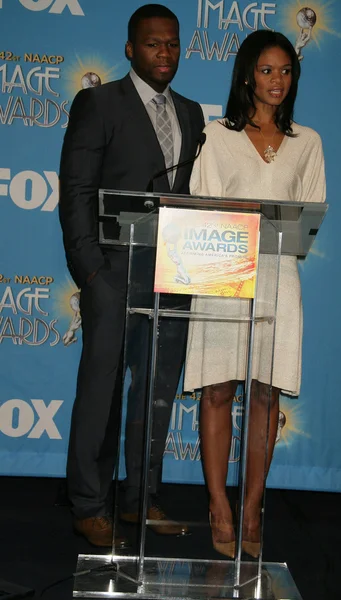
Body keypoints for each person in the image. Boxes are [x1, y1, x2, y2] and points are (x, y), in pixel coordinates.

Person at [59, 4, 204, 548]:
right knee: (102, 389)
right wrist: (90, 269)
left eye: (172, 44)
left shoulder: (192, 113)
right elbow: (75, 189)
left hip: (174, 271)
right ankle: (88, 504)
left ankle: (141, 498)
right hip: (111, 272)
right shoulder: (98, 103)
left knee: (158, 391)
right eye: (153, 44)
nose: (164, 53)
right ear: (129, 49)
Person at [184, 30, 326, 558]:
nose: (277, 81)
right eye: (267, 70)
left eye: (286, 71)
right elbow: (200, 203)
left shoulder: (307, 142)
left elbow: (310, 218)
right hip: (224, 269)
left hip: (278, 276)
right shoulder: (215, 136)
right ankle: (219, 505)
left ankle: (251, 509)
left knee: (265, 395)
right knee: (218, 390)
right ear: (247, 74)